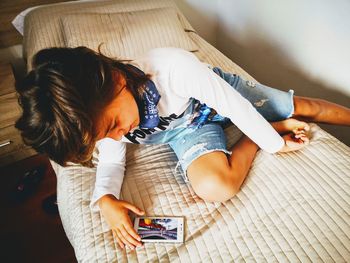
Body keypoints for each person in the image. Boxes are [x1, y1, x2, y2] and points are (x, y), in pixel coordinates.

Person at [15, 46, 350, 250]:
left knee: (303, 107)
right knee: (216, 186)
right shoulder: (98, 123)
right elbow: (111, 162)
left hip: (224, 98)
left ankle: (275, 125)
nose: (117, 137)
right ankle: (252, 139)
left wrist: (274, 146)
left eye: (115, 126)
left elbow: (236, 108)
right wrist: (105, 199)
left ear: (117, 81)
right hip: (190, 128)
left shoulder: (170, 66)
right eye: (108, 135)